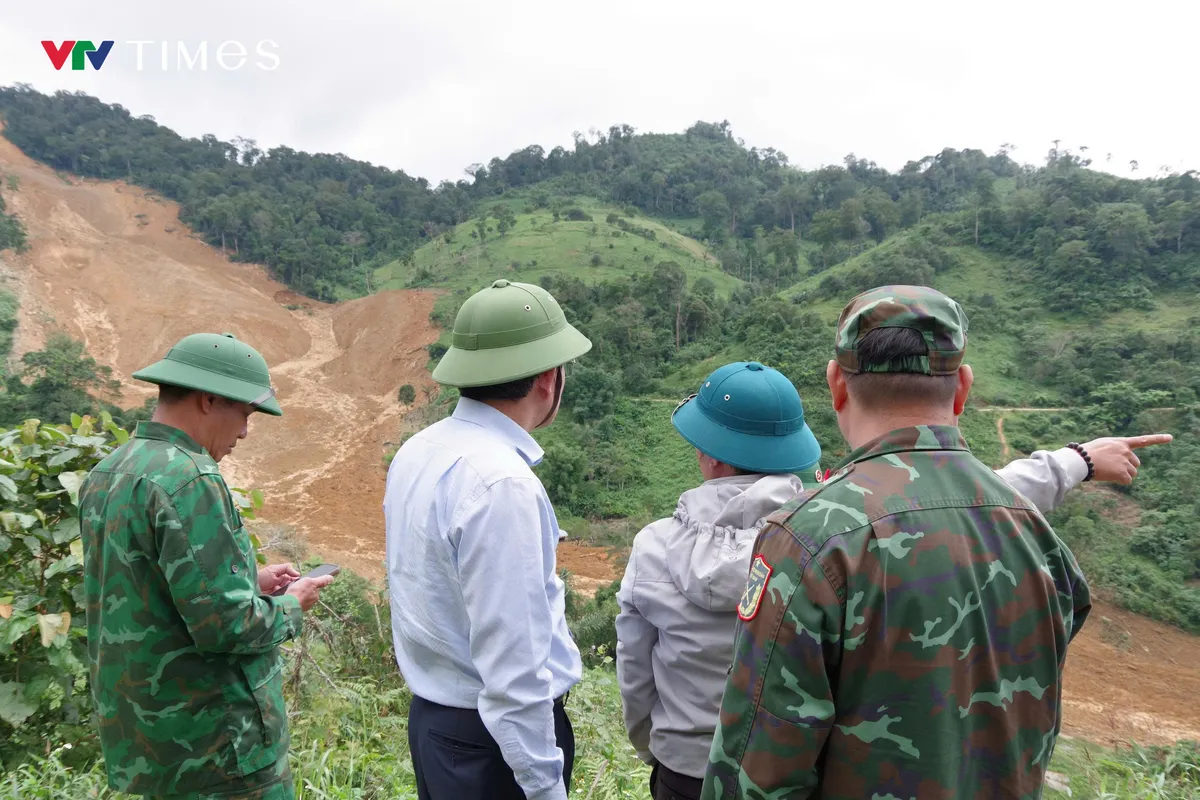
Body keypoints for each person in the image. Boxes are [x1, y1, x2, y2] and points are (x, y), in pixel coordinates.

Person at [617, 360, 1168, 800]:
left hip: (682, 770)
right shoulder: (842, 535)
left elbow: (635, 674)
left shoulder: (654, 548)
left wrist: (660, 747)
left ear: (707, 454)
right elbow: (950, 504)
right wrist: (1077, 461)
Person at [79, 332, 334, 800]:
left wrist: (246, 579)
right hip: (218, 748)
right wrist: (293, 606)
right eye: (245, 413)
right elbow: (228, 626)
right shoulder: (190, 476)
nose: (244, 431)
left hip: (147, 742)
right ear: (208, 399)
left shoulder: (111, 471)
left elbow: (142, 587)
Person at [385, 279, 593, 800]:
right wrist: (544, 787)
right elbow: (515, 668)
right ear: (550, 378)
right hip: (491, 751)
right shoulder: (503, 484)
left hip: (436, 727)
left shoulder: (420, 449)